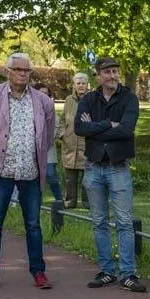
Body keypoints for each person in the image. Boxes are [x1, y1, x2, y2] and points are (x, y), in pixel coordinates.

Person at [0, 53, 55, 290]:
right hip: (0, 171)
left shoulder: (43, 101)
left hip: (30, 171)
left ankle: (38, 272)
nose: (22, 73)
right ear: (8, 71)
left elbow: (48, 134)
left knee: (33, 224)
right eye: (17, 69)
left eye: (26, 70)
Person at [75, 56, 145, 292]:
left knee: (124, 222)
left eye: (115, 71)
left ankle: (128, 273)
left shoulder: (129, 98)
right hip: (93, 167)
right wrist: (108, 124)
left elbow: (126, 130)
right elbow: (79, 128)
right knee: (99, 222)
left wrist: (95, 128)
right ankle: (106, 271)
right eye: (108, 72)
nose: (113, 76)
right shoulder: (88, 99)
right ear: (98, 76)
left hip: (118, 167)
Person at [58, 72, 90, 209]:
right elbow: (62, 119)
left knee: (87, 177)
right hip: (70, 143)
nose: (81, 85)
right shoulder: (68, 100)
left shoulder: (93, 99)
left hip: (86, 143)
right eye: (78, 83)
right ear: (74, 85)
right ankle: (70, 201)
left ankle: (88, 202)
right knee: (70, 178)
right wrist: (62, 134)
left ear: (87, 85)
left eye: (83, 83)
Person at [31, 83, 64, 204]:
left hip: (48, 148)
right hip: (32, 148)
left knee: (51, 174)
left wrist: (46, 141)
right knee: (34, 176)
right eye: (41, 93)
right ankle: (36, 200)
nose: (44, 95)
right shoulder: (30, 109)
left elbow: (56, 128)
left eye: (46, 93)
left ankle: (59, 199)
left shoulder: (52, 111)